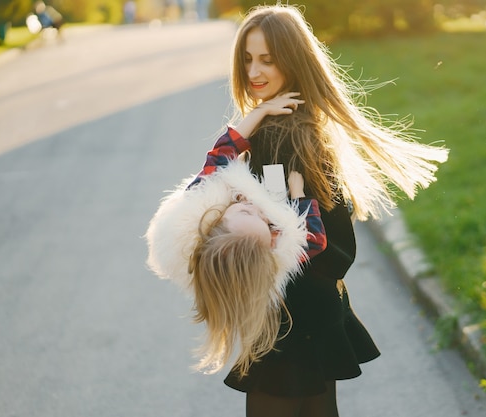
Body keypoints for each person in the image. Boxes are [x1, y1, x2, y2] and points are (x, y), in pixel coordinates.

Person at [150, 4, 448, 417]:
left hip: (292, 320)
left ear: (292, 61)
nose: (254, 71)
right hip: (306, 313)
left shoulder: (285, 136)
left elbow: (324, 245)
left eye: (267, 60)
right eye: (248, 59)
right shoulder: (291, 126)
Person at [145, 125, 328, 380]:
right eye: (262, 219)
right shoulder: (274, 248)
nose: (255, 207)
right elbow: (314, 240)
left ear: (217, 221)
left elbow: (220, 157)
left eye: (245, 211)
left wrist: (257, 116)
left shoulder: (201, 200)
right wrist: (299, 195)